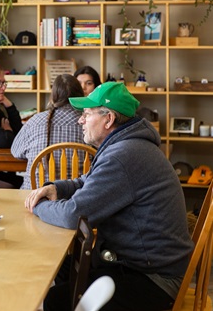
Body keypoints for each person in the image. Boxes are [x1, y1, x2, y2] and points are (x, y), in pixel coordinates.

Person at [24, 82, 194, 311]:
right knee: (63, 268)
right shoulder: (126, 145)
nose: (80, 120)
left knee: (57, 298)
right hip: (143, 265)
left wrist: (39, 205)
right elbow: (88, 180)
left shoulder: (123, 156)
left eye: (86, 114)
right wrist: (58, 189)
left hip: (153, 280)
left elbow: (73, 215)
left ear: (108, 119)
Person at [11, 74, 85, 189]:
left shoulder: (36, 120)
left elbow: (16, 152)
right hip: (76, 198)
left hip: (34, 198)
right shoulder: (88, 122)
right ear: (81, 96)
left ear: (53, 96)